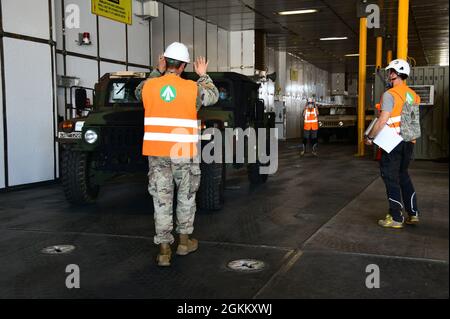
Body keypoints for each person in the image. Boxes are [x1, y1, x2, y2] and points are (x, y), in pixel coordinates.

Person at [135, 42, 219, 266]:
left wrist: (156, 70)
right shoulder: (193, 88)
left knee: (161, 200)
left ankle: (164, 251)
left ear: (166, 63)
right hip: (183, 153)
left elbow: (137, 92)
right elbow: (213, 95)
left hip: (157, 153)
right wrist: (203, 75)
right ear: (183, 66)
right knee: (186, 196)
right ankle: (183, 242)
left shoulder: (149, 87)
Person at [365, 59, 421, 229]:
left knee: (390, 177)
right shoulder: (412, 94)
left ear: (397, 74)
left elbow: (383, 120)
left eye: (391, 71)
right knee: (403, 175)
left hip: (393, 142)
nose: (389, 74)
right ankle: (413, 214)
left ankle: (396, 217)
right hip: (408, 141)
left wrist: (370, 137)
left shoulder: (390, 94)